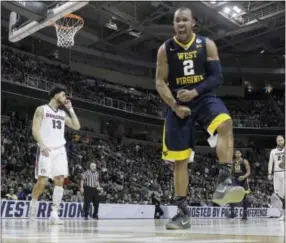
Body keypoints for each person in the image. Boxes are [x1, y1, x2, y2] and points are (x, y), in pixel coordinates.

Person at [155, 7, 245, 230]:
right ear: (174, 24)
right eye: (177, 20)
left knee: (225, 122)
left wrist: (195, 92)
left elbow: (217, 77)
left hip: (203, 98)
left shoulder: (206, 44)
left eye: (185, 20)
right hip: (179, 105)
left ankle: (224, 181)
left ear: (193, 23)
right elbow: (159, 82)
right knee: (179, 160)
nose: (181, 24)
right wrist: (175, 106)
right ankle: (182, 213)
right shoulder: (165, 49)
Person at [28, 85, 81, 224]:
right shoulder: (42, 109)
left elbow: (77, 126)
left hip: (60, 150)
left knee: (60, 180)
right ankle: (33, 206)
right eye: (63, 95)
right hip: (46, 148)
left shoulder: (62, 114)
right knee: (43, 181)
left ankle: (54, 213)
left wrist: (70, 109)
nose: (65, 98)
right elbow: (35, 129)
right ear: (56, 95)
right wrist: (42, 144)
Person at [229, 150, 251, 220]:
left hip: (244, 180)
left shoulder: (245, 161)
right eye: (236, 153)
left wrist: (244, 177)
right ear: (234, 154)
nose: (237, 154)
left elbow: (249, 172)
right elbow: (230, 171)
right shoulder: (233, 162)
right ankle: (232, 213)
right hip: (236, 180)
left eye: (238, 153)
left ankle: (245, 214)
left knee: (244, 197)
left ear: (241, 154)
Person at [268, 135, 285, 221]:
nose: (280, 142)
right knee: (278, 194)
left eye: (281, 140)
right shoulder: (273, 151)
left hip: (284, 172)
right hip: (276, 174)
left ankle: (284, 214)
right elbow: (270, 163)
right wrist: (269, 173)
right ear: (276, 141)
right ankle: (282, 213)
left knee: (284, 194)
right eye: (279, 140)